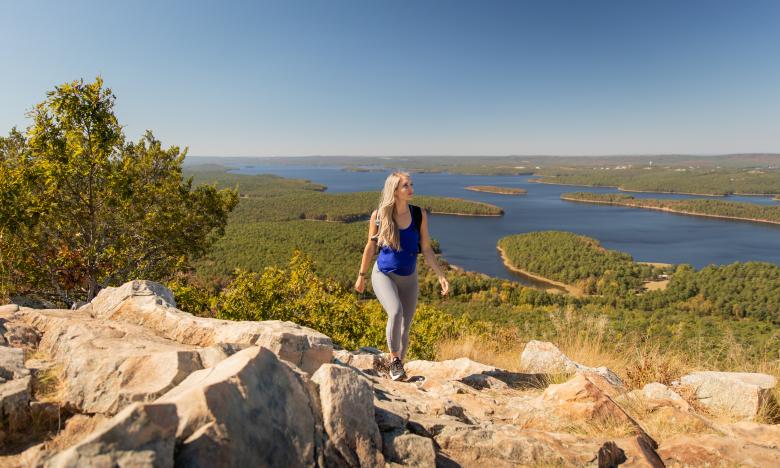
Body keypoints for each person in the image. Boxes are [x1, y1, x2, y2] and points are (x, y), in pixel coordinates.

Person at [354, 171, 449, 380]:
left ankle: (399, 367)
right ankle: (394, 360)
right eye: (406, 186)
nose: (411, 189)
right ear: (395, 191)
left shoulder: (418, 214)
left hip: (409, 277)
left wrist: (440, 275)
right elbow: (370, 247)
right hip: (383, 275)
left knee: (406, 325)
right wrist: (361, 275)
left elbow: (426, 248)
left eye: (411, 184)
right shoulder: (379, 215)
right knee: (395, 312)